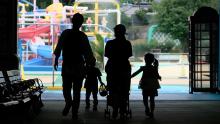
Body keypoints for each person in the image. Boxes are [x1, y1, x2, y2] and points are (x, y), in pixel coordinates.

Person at [53, 13, 95, 119]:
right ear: (81, 23)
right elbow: (88, 53)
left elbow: (59, 47)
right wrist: (90, 64)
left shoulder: (65, 33)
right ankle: (74, 112)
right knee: (77, 90)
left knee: (66, 88)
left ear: (72, 21)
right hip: (79, 66)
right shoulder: (82, 36)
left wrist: (56, 59)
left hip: (67, 64)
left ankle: (68, 103)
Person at [104, 24, 132, 119]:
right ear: (124, 32)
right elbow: (128, 55)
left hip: (112, 69)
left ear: (115, 32)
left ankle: (115, 108)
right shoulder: (127, 43)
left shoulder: (110, 43)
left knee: (112, 90)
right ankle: (122, 109)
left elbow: (107, 55)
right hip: (124, 69)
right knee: (124, 90)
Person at [131, 53, 161, 118]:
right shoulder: (154, 68)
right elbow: (157, 75)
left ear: (145, 60)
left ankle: (147, 108)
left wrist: (129, 76)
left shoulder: (144, 68)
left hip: (145, 84)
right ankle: (152, 112)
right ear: (152, 60)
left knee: (145, 98)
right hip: (153, 84)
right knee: (152, 99)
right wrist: (159, 77)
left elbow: (135, 73)